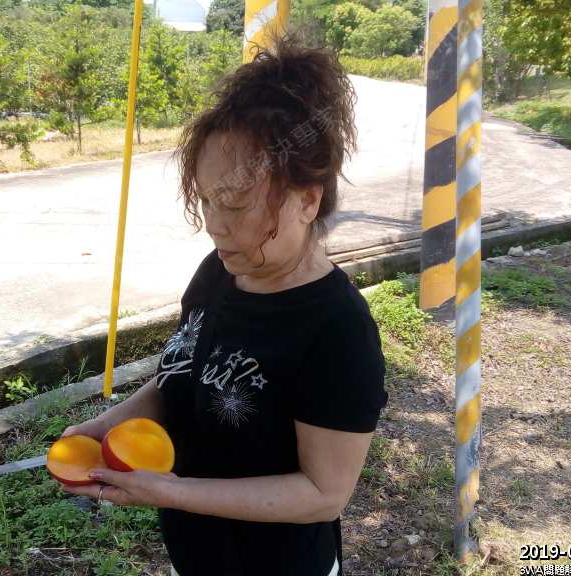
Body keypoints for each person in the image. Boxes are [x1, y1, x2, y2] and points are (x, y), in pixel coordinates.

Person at [60, 33, 388, 576]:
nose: (213, 225)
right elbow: (183, 376)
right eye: (207, 200)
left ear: (307, 200)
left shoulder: (338, 330)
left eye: (233, 203)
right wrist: (107, 424)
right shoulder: (220, 271)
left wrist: (173, 491)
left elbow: (323, 493)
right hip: (196, 556)